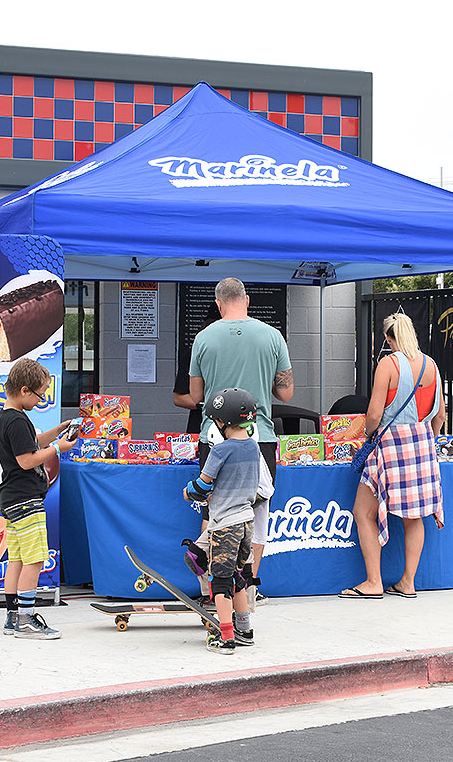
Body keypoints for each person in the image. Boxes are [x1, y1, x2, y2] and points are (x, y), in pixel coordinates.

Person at [189, 278, 293, 604]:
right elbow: (286, 392)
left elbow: (195, 395)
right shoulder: (273, 337)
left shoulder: (204, 338)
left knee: (215, 510)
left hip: (214, 437)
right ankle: (247, 589)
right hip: (258, 438)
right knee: (256, 513)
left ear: (219, 304)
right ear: (246, 300)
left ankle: (212, 590)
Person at [341, 312, 445, 600]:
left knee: (363, 512)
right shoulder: (431, 365)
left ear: (388, 338)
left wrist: (368, 435)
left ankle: (373, 581)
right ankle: (408, 582)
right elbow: (440, 415)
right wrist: (427, 438)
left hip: (389, 446)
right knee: (415, 518)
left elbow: (374, 413)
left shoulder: (388, 364)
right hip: (422, 444)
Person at [0, 358, 76, 639]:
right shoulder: (17, 420)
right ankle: (27, 620)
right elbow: (27, 460)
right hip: (25, 499)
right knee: (35, 559)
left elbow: (32, 443)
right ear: (23, 390)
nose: (41, 400)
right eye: (40, 394)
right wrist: (58, 448)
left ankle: (12, 617)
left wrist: (56, 433)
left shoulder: (7, 415)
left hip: (11, 498)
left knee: (17, 559)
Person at [183, 388, 260, 654]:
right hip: (247, 521)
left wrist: (188, 491)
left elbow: (201, 487)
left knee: (221, 580)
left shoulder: (220, 451)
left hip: (224, 523)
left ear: (222, 421)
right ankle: (245, 629)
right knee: (239, 575)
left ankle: (226, 638)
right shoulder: (253, 447)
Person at [172, 303, 222, 433]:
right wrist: (211, 405)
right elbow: (179, 398)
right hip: (202, 427)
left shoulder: (246, 351)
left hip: (239, 428)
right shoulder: (194, 351)